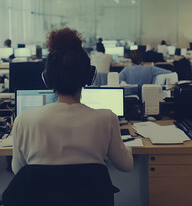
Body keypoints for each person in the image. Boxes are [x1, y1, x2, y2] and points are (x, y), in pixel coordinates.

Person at [12, 28, 133, 174]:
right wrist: (129, 149)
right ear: (90, 77)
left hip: (43, 197)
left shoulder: (24, 121)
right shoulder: (107, 119)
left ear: (47, 79)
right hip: (92, 197)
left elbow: (18, 170)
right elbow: (126, 166)